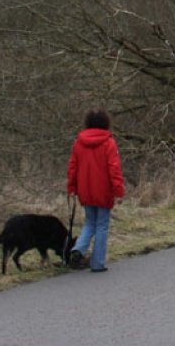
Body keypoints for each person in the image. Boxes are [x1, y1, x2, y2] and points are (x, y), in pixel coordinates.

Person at [67, 108, 125, 272]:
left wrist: (71, 188)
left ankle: (78, 249)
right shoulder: (109, 142)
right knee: (102, 225)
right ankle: (97, 263)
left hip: (85, 189)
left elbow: (72, 167)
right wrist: (118, 191)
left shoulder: (78, 142)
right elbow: (114, 169)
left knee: (89, 222)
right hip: (103, 190)